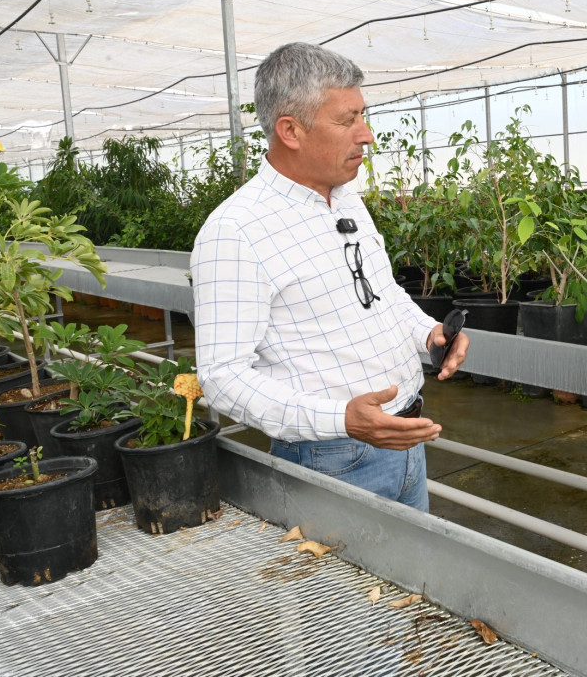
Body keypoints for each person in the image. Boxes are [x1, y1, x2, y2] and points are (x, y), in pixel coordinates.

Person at [190, 42, 468, 512]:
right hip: (330, 458)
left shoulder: (345, 199)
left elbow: (382, 294)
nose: (367, 135)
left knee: (410, 585)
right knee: (343, 587)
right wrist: (340, 418)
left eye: (363, 115)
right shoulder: (235, 231)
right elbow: (222, 376)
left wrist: (428, 333)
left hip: (404, 442)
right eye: (347, 120)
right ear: (291, 130)